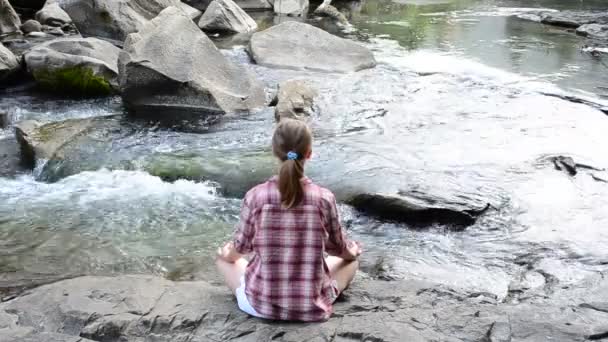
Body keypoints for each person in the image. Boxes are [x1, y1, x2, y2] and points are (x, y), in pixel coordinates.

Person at [215, 118, 362, 322]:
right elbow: (338, 248)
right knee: (350, 262)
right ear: (309, 153)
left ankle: (261, 292)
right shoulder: (324, 198)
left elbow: (240, 249)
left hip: (260, 307)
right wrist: (352, 252)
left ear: (275, 151)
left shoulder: (255, 196)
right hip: (310, 308)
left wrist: (227, 254)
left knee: (224, 260)